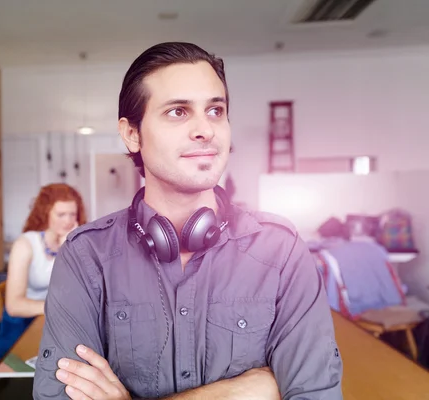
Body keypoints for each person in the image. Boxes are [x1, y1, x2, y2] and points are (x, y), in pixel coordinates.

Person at [34, 42, 343, 399]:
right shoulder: (85, 255)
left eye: (215, 110)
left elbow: (316, 394)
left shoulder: (281, 251)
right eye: (178, 112)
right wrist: (242, 391)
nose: (205, 130)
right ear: (132, 134)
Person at [0, 183, 86, 359]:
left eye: (72, 214)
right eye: (61, 214)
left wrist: (69, 247)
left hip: (51, 321)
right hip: (21, 324)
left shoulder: (71, 241)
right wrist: (58, 308)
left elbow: (76, 288)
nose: (68, 221)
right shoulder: (25, 245)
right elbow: (13, 306)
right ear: (45, 212)